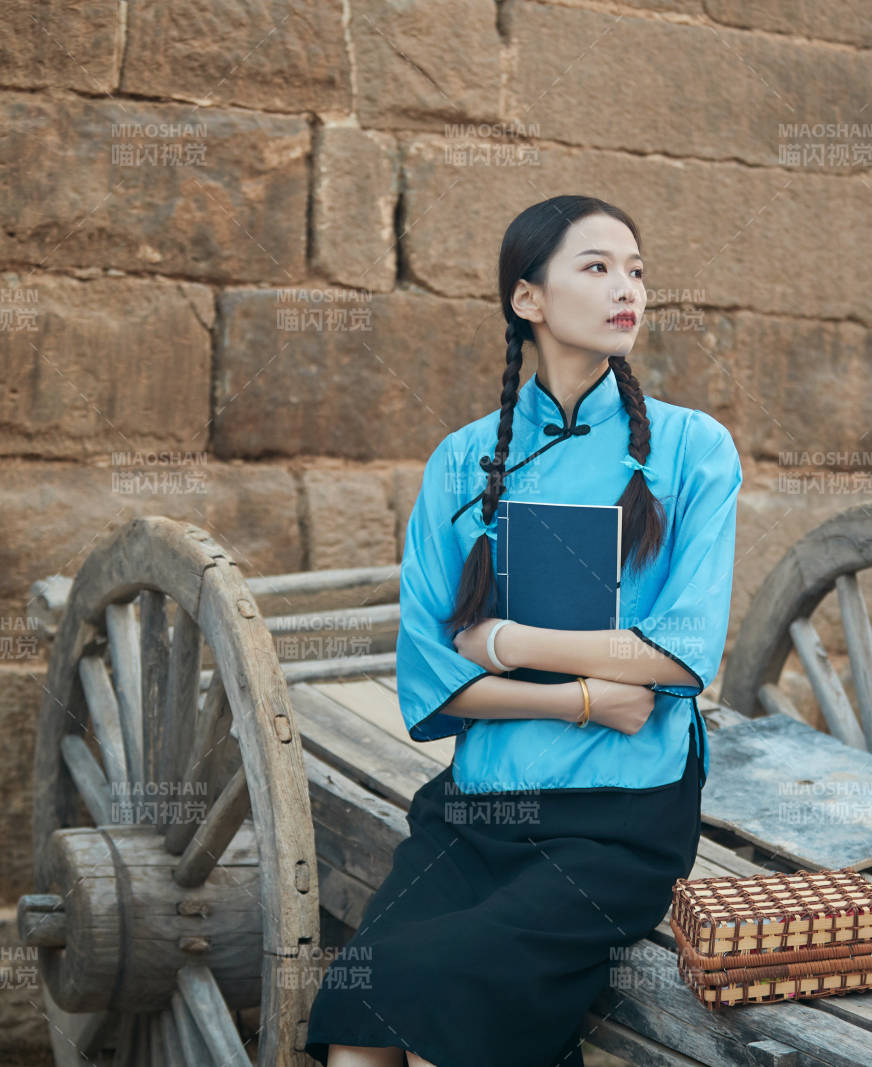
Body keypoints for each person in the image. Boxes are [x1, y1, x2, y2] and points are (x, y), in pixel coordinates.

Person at [303, 194, 743, 1067]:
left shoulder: (694, 450)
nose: (628, 288)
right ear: (527, 299)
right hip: (477, 811)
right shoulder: (464, 461)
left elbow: (681, 654)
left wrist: (509, 642)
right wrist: (587, 695)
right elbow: (436, 677)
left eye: (637, 270)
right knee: (360, 1012)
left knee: (444, 1018)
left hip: (619, 820)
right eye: (597, 266)